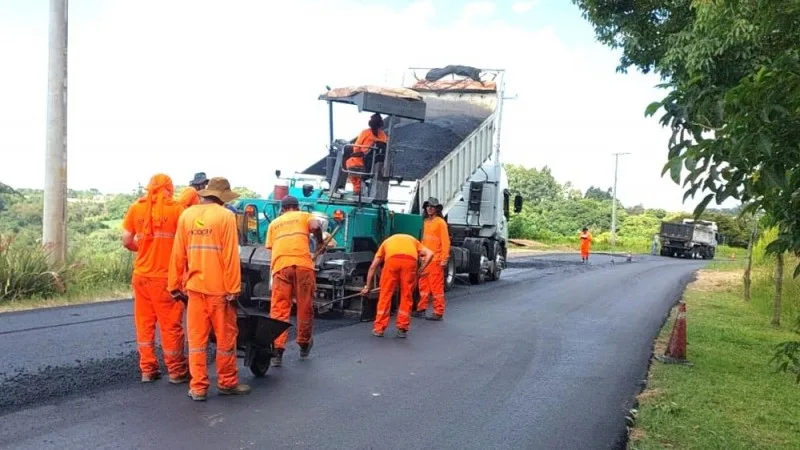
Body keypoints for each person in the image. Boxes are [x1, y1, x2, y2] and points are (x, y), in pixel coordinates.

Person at [168, 176, 251, 401]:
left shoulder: (187, 215)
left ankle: (198, 388)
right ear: (223, 197)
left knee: (196, 341)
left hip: (194, 290)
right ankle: (227, 382)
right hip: (220, 292)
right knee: (225, 340)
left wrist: (173, 284)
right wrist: (234, 288)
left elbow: (178, 253)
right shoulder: (225, 216)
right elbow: (230, 256)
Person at [121, 173, 189, 384]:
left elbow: (126, 240)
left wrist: (141, 249)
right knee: (170, 326)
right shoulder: (177, 209)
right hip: (165, 278)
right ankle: (176, 371)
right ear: (169, 188)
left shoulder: (136, 207)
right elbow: (187, 242)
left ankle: (148, 369)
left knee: (144, 324)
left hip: (141, 276)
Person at [265, 195, 325, 367]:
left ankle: (277, 350)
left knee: (279, 309)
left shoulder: (274, 223)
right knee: (304, 306)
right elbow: (315, 226)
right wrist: (320, 242)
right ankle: (304, 343)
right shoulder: (305, 216)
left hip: (281, 267)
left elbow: (271, 248)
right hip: (303, 266)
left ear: (283, 209)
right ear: (296, 207)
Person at [360, 233, 435, 338]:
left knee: (385, 294)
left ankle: (379, 329)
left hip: (392, 261)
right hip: (410, 262)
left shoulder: (386, 243)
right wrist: (420, 270)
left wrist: (367, 287)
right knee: (406, 295)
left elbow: (373, 267)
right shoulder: (414, 242)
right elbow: (430, 254)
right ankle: (402, 328)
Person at [412, 197, 451, 321]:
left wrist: (444, 259)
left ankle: (438, 312)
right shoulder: (424, 222)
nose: (429, 208)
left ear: (436, 209)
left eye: (432, 206)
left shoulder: (440, 222)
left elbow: (446, 242)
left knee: (436, 288)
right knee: (423, 286)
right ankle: (421, 309)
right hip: (425, 260)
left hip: (435, 260)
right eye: (427, 206)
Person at [345, 113, 387, 195]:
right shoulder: (374, 134)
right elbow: (357, 148)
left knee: (350, 162)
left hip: (372, 159)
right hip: (366, 158)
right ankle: (358, 189)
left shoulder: (378, 134)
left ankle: (359, 188)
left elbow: (356, 147)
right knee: (352, 163)